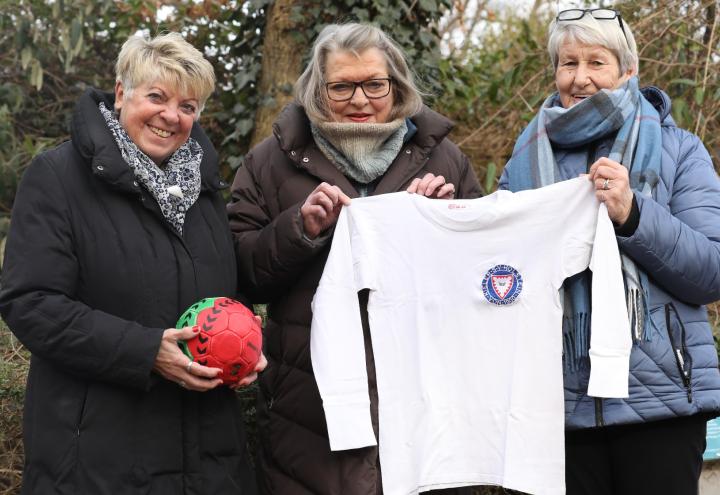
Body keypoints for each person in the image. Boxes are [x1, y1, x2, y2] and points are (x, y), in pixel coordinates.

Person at [0, 33, 264, 494]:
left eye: (188, 105)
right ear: (121, 94)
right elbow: (31, 303)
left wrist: (241, 347)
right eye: (156, 97)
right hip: (97, 463)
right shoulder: (58, 178)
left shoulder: (203, 191)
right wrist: (145, 352)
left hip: (207, 460)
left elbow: (223, 294)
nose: (171, 116)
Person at [227, 22, 481, 494]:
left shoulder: (444, 160)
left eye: (374, 85)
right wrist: (300, 230)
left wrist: (445, 222)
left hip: (424, 406)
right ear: (316, 90)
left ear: (397, 84)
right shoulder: (269, 161)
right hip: (307, 414)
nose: (360, 100)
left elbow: (485, 278)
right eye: (341, 86)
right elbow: (241, 271)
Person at [499, 8, 720, 494]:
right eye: (567, 63)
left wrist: (634, 214)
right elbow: (501, 280)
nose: (581, 79)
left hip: (661, 407)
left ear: (628, 71)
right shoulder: (522, 163)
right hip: (556, 412)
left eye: (596, 62)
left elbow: (710, 272)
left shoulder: (679, 150)